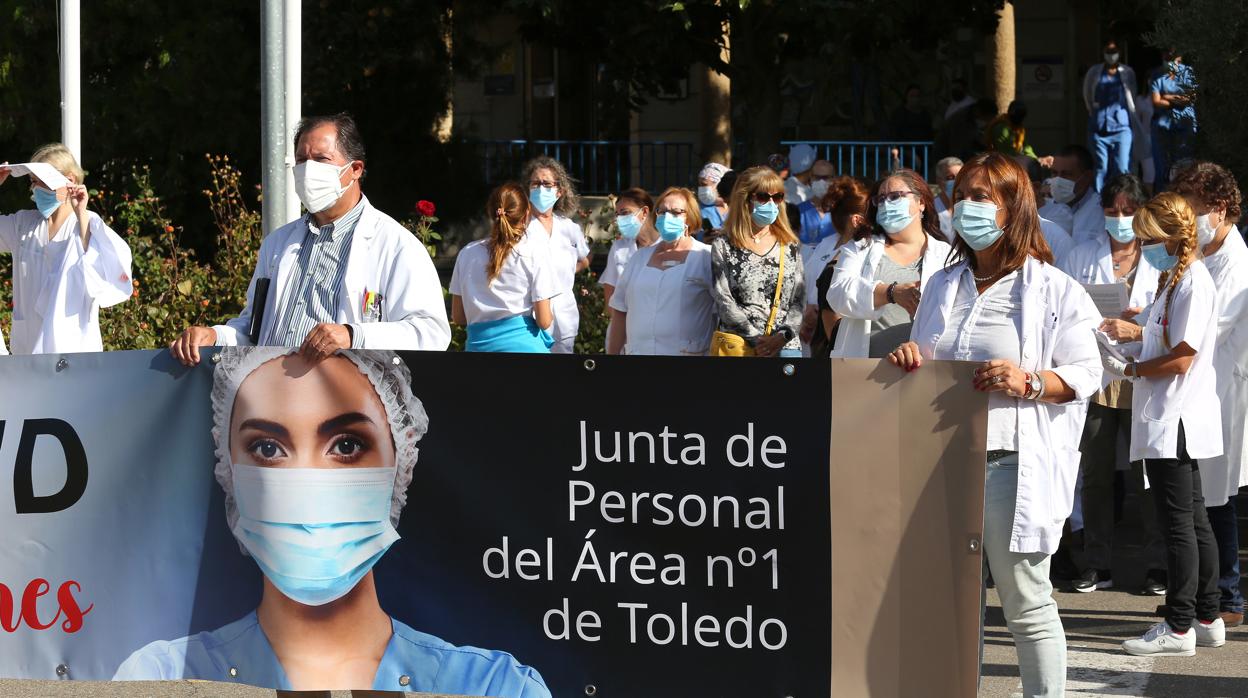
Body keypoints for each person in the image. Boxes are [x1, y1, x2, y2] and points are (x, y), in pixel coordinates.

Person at [115, 348, 550, 695]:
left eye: (345, 444)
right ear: (228, 470)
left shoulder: (494, 688)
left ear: (401, 463)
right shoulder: (161, 679)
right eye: (268, 448)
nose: (308, 481)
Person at [889, 152, 1102, 697]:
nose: (967, 207)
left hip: (1009, 462)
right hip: (941, 460)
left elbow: (1086, 373)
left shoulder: (1053, 290)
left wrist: (1028, 380)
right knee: (947, 601)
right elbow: (932, 361)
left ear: (1014, 206)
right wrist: (912, 355)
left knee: (1026, 601)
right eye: (961, 196)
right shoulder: (942, 283)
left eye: (982, 196)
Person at [170, 113, 450, 366]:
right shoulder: (279, 244)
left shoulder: (396, 245)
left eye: (321, 159)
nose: (308, 170)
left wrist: (354, 334)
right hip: (273, 397)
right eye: (302, 161)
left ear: (355, 170)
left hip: (344, 403)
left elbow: (431, 333)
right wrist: (213, 336)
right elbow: (254, 330)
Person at [1104, 192, 1224, 657]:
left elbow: (1181, 359)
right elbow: (1165, 341)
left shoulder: (1193, 282)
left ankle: (1178, 628)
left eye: (1147, 239)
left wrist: (1132, 370)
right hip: (1172, 414)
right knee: (1193, 521)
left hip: (1175, 415)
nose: (1141, 246)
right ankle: (1208, 616)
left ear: (1170, 237)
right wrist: (1136, 338)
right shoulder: (1174, 279)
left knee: (1178, 524)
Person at [1060, 174, 1166, 595]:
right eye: (1111, 210)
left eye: (1127, 210)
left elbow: (1171, 313)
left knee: (1147, 476)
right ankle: (1096, 562)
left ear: (1142, 212)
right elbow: (1064, 309)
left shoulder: (1158, 258)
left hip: (1142, 372)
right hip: (1099, 372)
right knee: (1096, 473)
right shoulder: (1083, 254)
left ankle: (1158, 564)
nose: (1119, 218)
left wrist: (1141, 317)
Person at [1171, 162, 1248, 627]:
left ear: (1218, 210)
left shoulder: (1237, 263)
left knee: (1215, 496)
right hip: (1200, 388)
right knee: (1203, 494)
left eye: (1194, 210)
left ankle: (1227, 596)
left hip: (1222, 389)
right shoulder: (1203, 252)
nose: (1188, 220)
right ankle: (1210, 593)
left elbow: (1205, 329)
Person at [0, 146, 133, 354]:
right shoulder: (22, 225)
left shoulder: (89, 224)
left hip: (74, 353)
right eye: (32, 182)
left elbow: (104, 278)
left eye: (41, 181)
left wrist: (81, 215)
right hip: (26, 353)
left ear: (69, 179)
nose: (35, 189)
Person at [826, 169, 952, 359]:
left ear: (921, 202)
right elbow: (837, 294)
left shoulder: (948, 255)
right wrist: (891, 293)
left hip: (924, 370)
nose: (886, 204)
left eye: (895, 196)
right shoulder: (861, 247)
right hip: (864, 369)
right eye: (881, 199)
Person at [606, 187, 716, 356]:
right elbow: (620, 310)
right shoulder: (639, 258)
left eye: (676, 212)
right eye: (662, 211)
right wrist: (612, 356)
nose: (667, 217)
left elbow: (722, 312)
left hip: (688, 360)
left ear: (691, 217)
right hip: (640, 356)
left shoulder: (705, 257)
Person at [449, 183, 558, 353]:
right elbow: (544, 321)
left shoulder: (467, 253)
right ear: (526, 215)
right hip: (526, 352)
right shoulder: (534, 252)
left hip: (480, 352)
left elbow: (459, 317)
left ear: (491, 213)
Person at [710, 166, 806, 358]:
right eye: (763, 197)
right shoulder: (724, 245)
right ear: (745, 199)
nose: (771, 203)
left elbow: (798, 300)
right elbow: (723, 300)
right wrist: (757, 340)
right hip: (738, 346)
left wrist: (782, 336)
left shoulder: (789, 245)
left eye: (777, 197)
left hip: (785, 347)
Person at [521, 156, 591, 354]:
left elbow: (585, 259)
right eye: (536, 183)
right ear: (528, 189)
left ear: (559, 191)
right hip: (530, 315)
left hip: (564, 315)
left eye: (547, 183)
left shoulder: (569, 228)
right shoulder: (519, 228)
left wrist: (568, 272)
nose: (541, 188)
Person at [799, 176, 871, 358]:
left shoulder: (869, 248)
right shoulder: (825, 243)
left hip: (841, 335)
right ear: (858, 219)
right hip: (809, 334)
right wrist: (807, 311)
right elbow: (805, 281)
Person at [1082, 39, 1139, 192]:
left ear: (1119, 53)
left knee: (1122, 166)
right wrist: (1092, 110)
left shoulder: (1127, 72)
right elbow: (1087, 93)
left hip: (1121, 126)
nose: (1111, 55)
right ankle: (1099, 200)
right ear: (1103, 52)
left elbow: (1132, 94)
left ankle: (1123, 197)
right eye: (1108, 52)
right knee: (1101, 167)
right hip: (1099, 126)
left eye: (1114, 52)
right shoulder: (1095, 71)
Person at [601, 188, 656, 310]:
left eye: (625, 213)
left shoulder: (665, 245)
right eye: (617, 214)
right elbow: (610, 292)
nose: (619, 219)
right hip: (625, 322)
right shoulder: (619, 247)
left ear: (645, 212)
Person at [1150, 51, 1197, 191]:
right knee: (1162, 169)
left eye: (1172, 57)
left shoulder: (1188, 72)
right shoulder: (1156, 74)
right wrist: (1178, 99)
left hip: (1185, 127)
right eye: (1166, 57)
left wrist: (1168, 96)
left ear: (1180, 57)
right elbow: (1156, 101)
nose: (1169, 61)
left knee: (1185, 168)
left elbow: (1190, 98)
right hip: (1162, 127)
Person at [1039, 145, 1102, 249]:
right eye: (1054, 173)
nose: (1058, 180)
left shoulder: (1101, 211)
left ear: (1087, 177)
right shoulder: (1044, 209)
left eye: (1066, 174)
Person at [985, 100, 1055, 168]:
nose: (1019, 118)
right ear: (1009, 112)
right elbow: (1008, 153)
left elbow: (1026, 148)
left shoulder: (1019, 129)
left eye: (1021, 115)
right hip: (997, 165)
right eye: (1017, 114)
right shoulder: (1001, 128)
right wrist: (1035, 161)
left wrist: (1037, 160)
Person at [796, 159, 838, 256]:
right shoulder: (798, 211)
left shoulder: (841, 211)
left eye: (826, 177)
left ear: (834, 180)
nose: (821, 181)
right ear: (810, 180)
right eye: (817, 177)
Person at [696, 163, 731, 235]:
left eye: (704, 184)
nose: (701, 188)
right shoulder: (696, 208)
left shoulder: (736, 207)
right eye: (699, 185)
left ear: (718, 185)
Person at [933, 156, 963, 238]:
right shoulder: (932, 208)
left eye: (960, 176)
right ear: (939, 181)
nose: (956, 181)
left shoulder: (969, 206)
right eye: (950, 177)